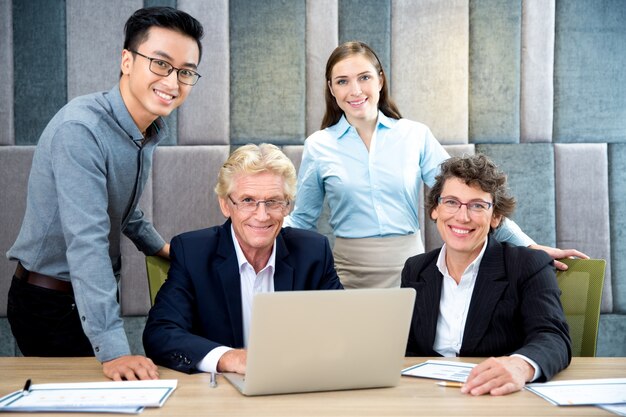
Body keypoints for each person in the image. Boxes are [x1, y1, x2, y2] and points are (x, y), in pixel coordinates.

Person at [284, 41, 587, 289]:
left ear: (380, 79)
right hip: (348, 274)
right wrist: (249, 236)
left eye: (364, 77)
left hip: (411, 271)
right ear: (331, 88)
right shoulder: (319, 146)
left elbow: (469, 197)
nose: (355, 90)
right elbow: (301, 222)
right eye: (342, 81)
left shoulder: (414, 135)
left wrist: (530, 247)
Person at [6, 6, 204, 381]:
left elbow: (122, 209)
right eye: (161, 64)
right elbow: (86, 240)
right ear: (127, 61)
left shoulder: (146, 129)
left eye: (186, 71)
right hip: (49, 303)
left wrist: (160, 249)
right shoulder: (81, 129)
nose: (174, 81)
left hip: (86, 297)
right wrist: (114, 349)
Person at [143, 144, 343, 375]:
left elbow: (341, 328)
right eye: (248, 200)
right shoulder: (193, 252)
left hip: (295, 387)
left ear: (287, 206)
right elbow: (160, 333)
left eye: (273, 201)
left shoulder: (313, 252)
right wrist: (229, 358)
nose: (261, 215)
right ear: (225, 204)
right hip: (220, 396)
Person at [401, 154, 572, 396]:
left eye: (477, 205)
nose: (462, 216)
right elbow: (406, 347)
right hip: (428, 396)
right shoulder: (415, 269)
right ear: (435, 210)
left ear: (496, 217)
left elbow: (554, 338)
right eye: (451, 202)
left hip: (497, 397)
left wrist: (521, 366)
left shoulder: (527, 265)